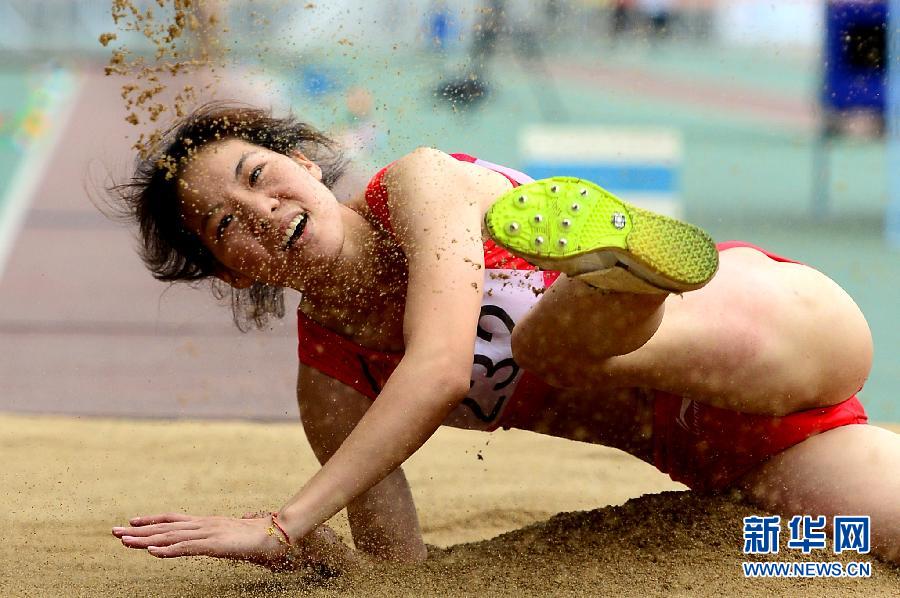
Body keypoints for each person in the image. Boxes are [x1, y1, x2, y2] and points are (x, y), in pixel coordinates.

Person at [109, 104, 899, 569]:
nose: (260, 210)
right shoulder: (332, 383)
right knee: (832, 547)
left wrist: (286, 517)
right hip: (747, 453)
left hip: (768, 321)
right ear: (233, 275)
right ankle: (612, 296)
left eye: (256, 175)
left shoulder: (421, 183)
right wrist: (303, 554)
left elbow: (447, 364)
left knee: (546, 345)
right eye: (225, 225)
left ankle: (627, 279)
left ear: (304, 164)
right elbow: (398, 569)